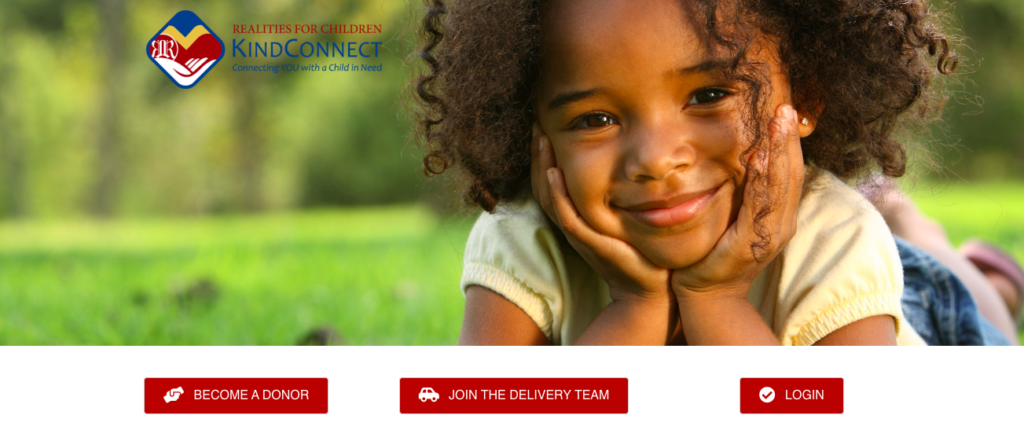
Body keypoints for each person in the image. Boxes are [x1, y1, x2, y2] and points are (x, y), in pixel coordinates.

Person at [413, 0, 976, 345]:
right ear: (531, 127)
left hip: (914, 317)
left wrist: (716, 299)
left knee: (950, 293)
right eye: (596, 118)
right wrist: (636, 307)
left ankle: (941, 247)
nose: (656, 161)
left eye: (709, 94)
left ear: (806, 96)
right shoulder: (523, 239)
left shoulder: (837, 239)